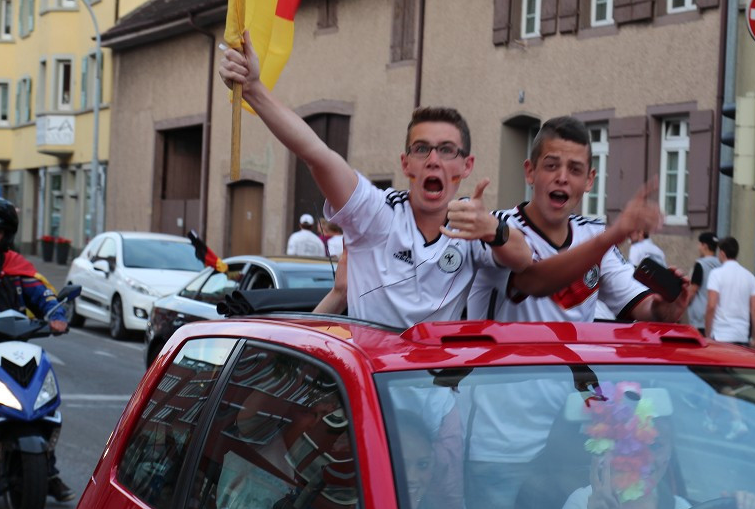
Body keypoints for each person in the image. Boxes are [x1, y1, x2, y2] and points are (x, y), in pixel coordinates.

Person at [219, 32, 532, 327]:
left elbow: (524, 261)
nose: (433, 160)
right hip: (369, 379)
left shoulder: (473, 226)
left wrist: (495, 230)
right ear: (405, 163)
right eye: (422, 149)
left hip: (432, 382)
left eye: (447, 150)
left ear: (467, 166)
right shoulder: (376, 214)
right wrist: (255, 90)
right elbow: (317, 154)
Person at [467, 116, 690, 324]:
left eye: (575, 170)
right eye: (551, 166)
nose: (562, 178)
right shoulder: (498, 227)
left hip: (570, 366)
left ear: (589, 180)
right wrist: (614, 234)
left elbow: (643, 306)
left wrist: (664, 310)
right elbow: (534, 282)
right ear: (530, 171)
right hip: (501, 366)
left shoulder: (594, 234)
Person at [534, 384, 755, 509]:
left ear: (670, 453)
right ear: (610, 448)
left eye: (655, 445)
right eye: (629, 444)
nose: (644, 458)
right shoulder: (585, 501)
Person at [0, 198, 73, 501]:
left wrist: (57, 317)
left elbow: (45, 295)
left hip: (13, 347)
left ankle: (46, 471)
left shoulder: (17, 267)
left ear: (7, 233)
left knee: (38, 402)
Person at [704, 236, 755, 349]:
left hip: (720, 335)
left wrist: (707, 335)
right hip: (741, 336)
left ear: (722, 253)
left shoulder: (716, 274)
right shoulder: (750, 277)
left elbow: (711, 306)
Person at [687, 232, 719, 334]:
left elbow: (693, 289)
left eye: (699, 244)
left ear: (704, 246)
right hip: (716, 316)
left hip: (699, 318)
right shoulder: (720, 265)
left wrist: (683, 304)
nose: (698, 247)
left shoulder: (700, 265)